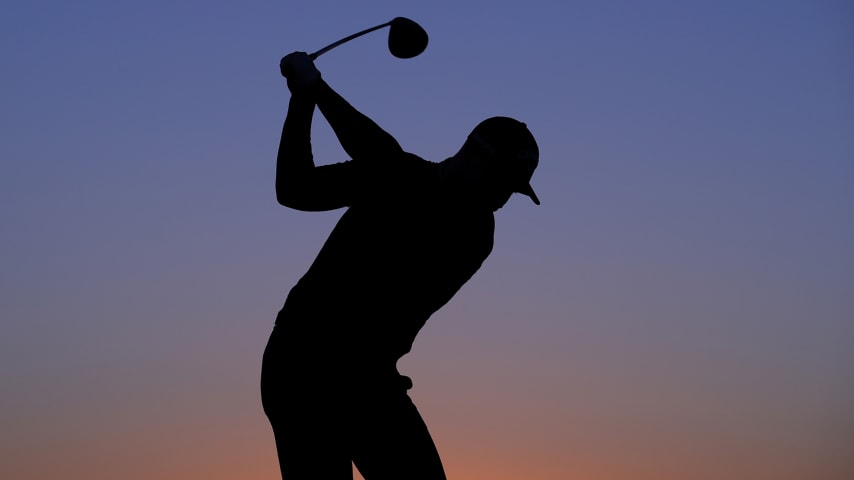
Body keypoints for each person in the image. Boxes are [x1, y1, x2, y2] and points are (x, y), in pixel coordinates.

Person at [261, 51, 540, 480]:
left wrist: (313, 88)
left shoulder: (474, 233)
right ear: (474, 155)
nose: (503, 196)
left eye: (514, 188)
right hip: (302, 366)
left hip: (364, 379)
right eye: (501, 179)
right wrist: (303, 99)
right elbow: (295, 188)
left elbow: (383, 158)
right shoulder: (396, 175)